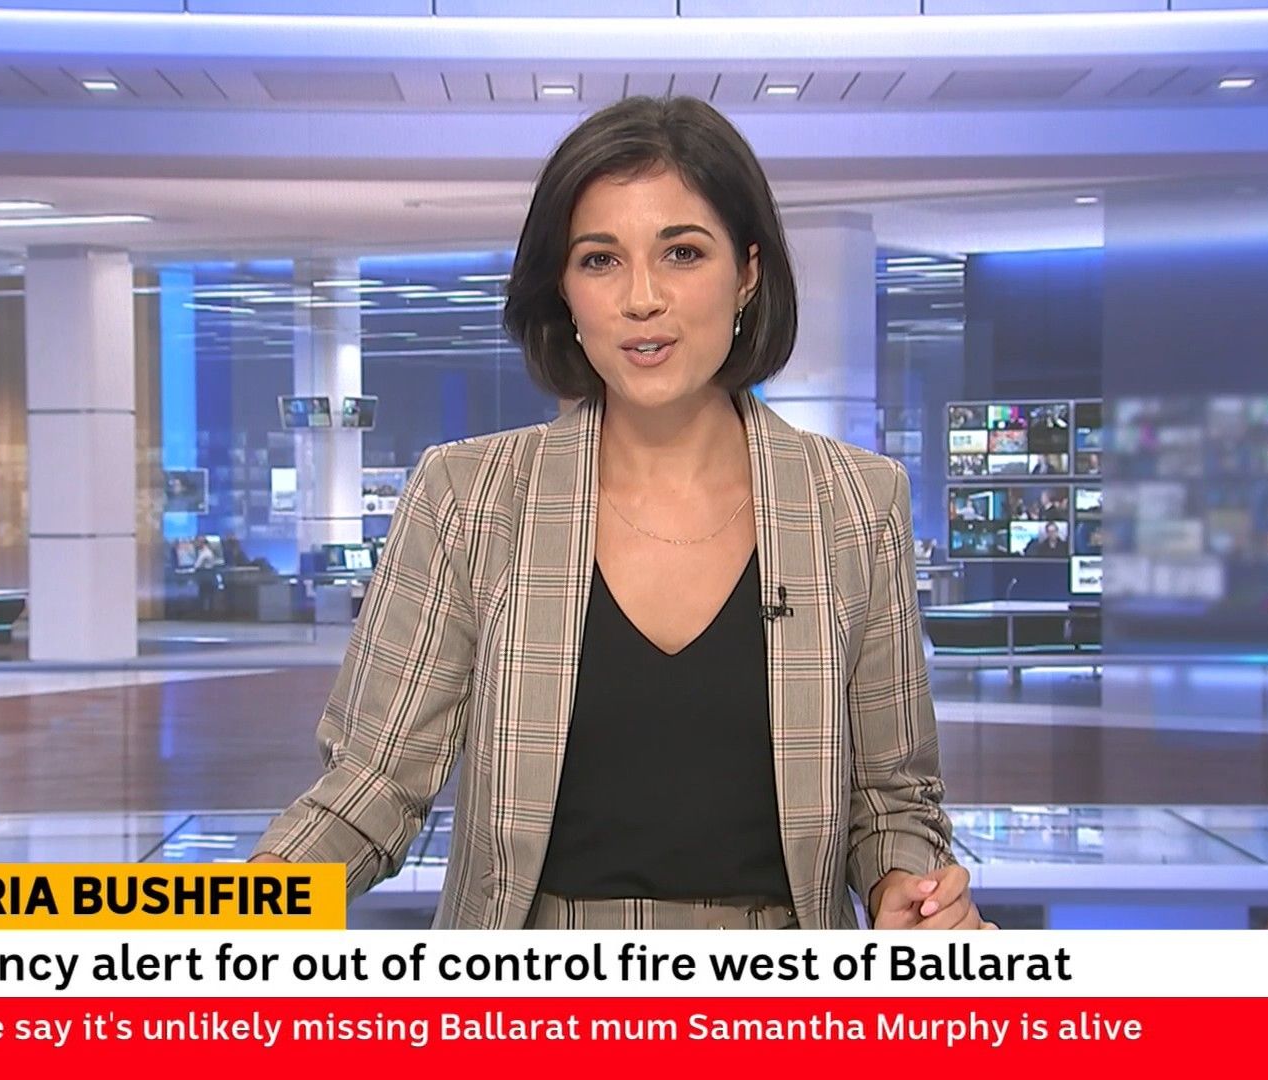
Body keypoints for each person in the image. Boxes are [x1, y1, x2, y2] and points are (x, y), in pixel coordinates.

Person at [252, 96, 990, 933]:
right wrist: (239, 910)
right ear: (563, 289)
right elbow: (374, 784)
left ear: (748, 272)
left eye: (683, 253)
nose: (642, 298)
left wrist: (905, 890)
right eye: (600, 260)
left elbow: (892, 796)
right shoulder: (469, 497)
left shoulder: (857, 504)